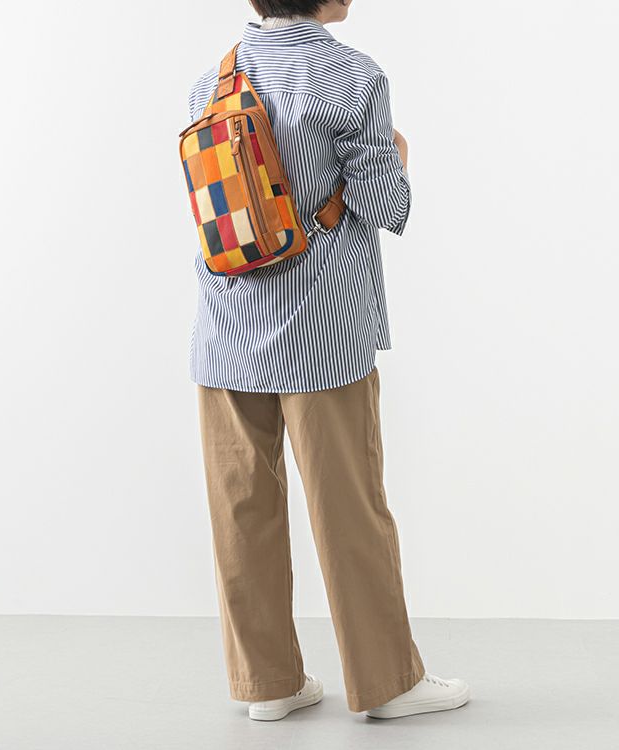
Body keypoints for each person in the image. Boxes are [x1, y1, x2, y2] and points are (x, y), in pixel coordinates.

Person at [186, 0, 470, 721]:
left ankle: (268, 686)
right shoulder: (352, 77)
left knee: (241, 511)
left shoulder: (213, 81)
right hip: (323, 334)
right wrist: (397, 155)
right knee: (350, 512)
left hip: (225, 330)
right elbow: (385, 206)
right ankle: (387, 684)